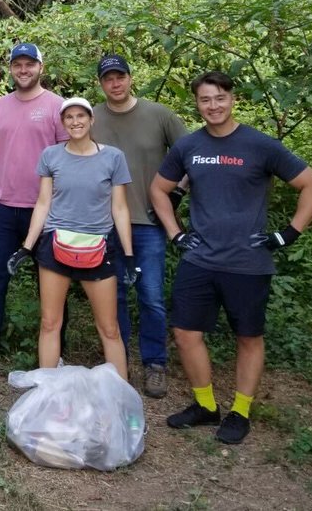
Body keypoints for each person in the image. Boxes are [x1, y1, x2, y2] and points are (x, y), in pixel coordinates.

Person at [150, 70, 312, 445]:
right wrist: (176, 233)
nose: (213, 106)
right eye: (205, 100)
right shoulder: (189, 146)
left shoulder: (260, 145)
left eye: (219, 98)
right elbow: (158, 190)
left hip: (248, 262)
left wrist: (288, 233)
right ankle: (205, 406)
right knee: (184, 333)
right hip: (200, 259)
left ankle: (241, 412)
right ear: (197, 104)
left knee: (248, 337)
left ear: (233, 99)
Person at [7, 97, 137, 378]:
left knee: (110, 328)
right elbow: (43, 203)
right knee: (50, 322)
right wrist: (26, 247)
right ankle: (48, 393)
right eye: (69, 117)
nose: (75, 122)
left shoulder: (113, 157)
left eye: (81, 116)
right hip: (56, 245)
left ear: (92, 120)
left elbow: (120, 207)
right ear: (62, 123)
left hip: (99, 247)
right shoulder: (51, 155)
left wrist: (128, 255)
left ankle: (119, 395)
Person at [0, 43, 68, 377]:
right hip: (3, 207)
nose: (23, 70)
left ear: (41, 66)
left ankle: (54, 356)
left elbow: (67, 156)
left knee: (50, 283)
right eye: (17, 65)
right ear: (10, 68)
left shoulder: (57, 106)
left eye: (29, 64)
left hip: (46, 210)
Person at [91, 53, 189, 398]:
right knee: (112, 296)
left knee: (150, 297)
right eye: (108, 79)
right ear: (101, 84)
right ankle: (119, 362)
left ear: (131, 78)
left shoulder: (159, 115)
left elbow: (191, 155)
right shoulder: (92, 118)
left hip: (147, 223)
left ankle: (155, 364)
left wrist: (175, 194)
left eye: (120, 77)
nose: (115, 83)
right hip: (104, 224)